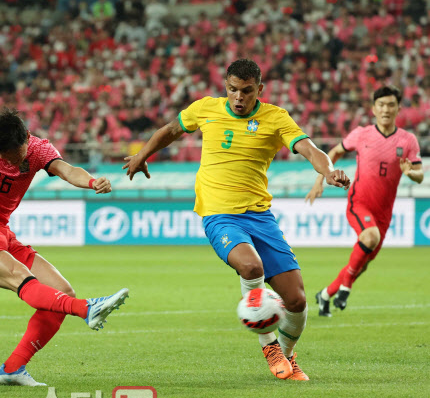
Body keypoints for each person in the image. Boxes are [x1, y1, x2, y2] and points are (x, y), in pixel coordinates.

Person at [123, 59, 351, 381]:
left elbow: (310, 149)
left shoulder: (275, 118)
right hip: (220, 215)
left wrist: (328, 172)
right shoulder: (206, 109)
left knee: (297, 301)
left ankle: (285, 357)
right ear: (225, 87)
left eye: (246, 91)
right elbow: (171, 130)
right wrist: (141, 155)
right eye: (232, 90)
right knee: (251, 266)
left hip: (260, 217)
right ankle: (268, 344)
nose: (239, 97)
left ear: (260, 89)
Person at [0, 108, 129, 387]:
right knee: (20, 276)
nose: (10, 162)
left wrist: (91, 182)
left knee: (62, 291)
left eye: (15, 155)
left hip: (2, 235)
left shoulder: (39, 150)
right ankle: (86, 309)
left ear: (26, 139)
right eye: (3, 156)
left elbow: (67, 170)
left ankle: (13, 368)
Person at [306, 86, 424, 317]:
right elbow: (335, 152)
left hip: (384, 214)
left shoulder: (408, 140)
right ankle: (345, 287)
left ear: (398, 108)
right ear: (373, 109)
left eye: (391, 104)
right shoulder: (361, 134)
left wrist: (410, 173)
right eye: (381, 105)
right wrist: (319, 180)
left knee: (363, 263)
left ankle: (325, 295)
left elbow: (420, 175)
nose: (386, 109)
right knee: (369, 237)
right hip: (358, 203)